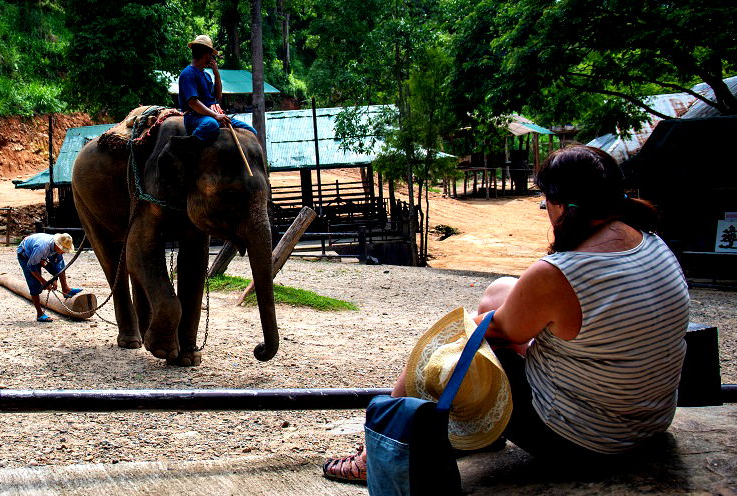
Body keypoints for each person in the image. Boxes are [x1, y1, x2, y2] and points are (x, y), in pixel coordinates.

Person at [323, 144, 690, 482]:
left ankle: (375, 454)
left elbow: (494, 335)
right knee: (498, 290)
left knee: (446, 348)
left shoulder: (561, 272)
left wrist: (477, 329)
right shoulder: (649, 239)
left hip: (586, 443)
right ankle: (476, 432)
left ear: (559, 205)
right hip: (649, 424)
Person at [178, 35, 257, 143]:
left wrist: (217, 74)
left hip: (213, 115)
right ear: (206, 55)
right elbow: (193, 102)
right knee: (211, 124)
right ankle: (190, 148)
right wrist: (215, 115)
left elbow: (218, 96)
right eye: (211, 55)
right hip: (195, 117)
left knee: (250, 131)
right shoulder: (187, 74)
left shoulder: (206, 75)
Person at [17, 232, 83, 322]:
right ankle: (40, 314)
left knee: (61, 267)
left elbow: (58, 265)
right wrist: (44, 282)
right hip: (25, 254)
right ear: (57, 245)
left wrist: (54, 280)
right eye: (63, 249)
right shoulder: (42, 248)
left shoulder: (57, 248)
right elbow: (31, 267)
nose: (64, 252)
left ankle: (66, 289)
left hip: (41, 254)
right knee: (34, 284)